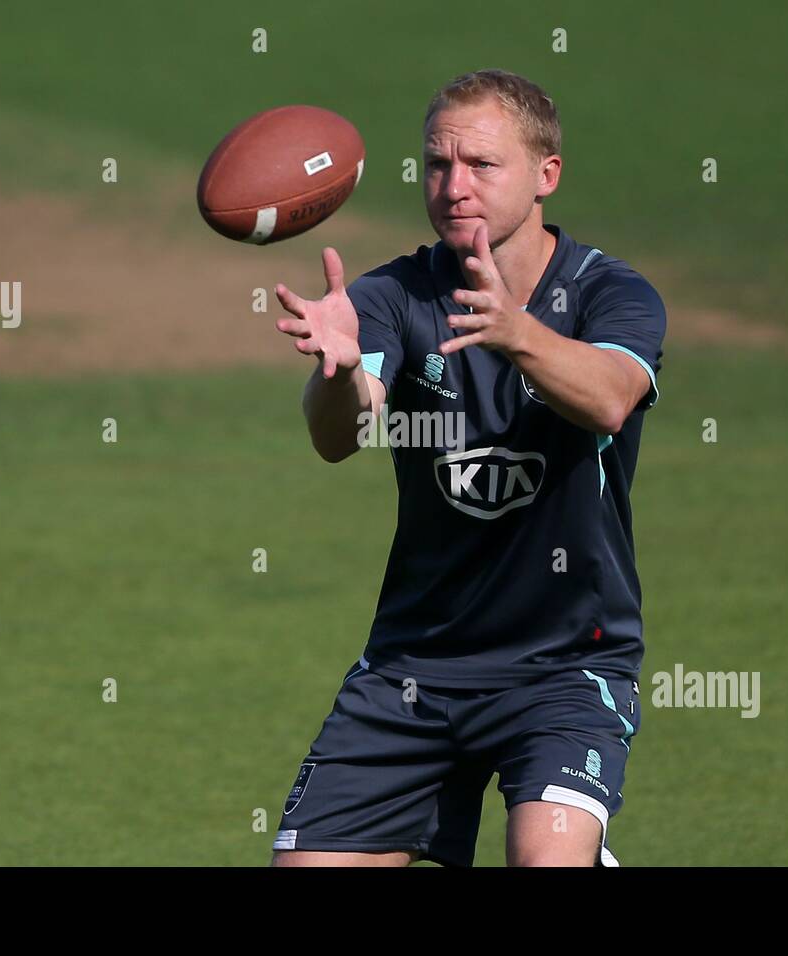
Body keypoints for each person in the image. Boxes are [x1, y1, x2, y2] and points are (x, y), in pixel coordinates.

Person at [269, 68, 666, 867]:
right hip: (415, 667)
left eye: (482, 165)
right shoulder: (395, 295)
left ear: (546, 175)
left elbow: (612, 398)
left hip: (564, 665)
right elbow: (337, 436)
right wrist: (341, 372)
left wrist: (517, 334)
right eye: (437, 165)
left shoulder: (611, 293)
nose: (454, 186)